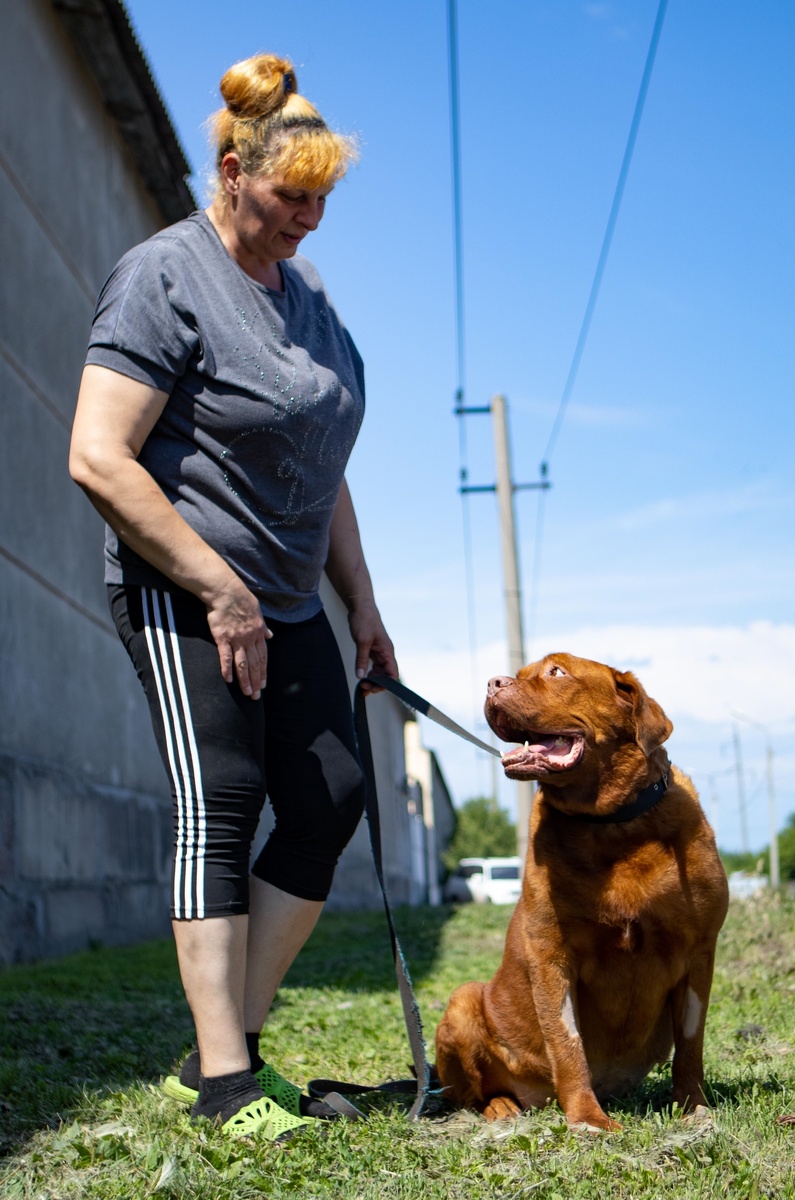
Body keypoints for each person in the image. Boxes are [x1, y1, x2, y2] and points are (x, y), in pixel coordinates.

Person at [69, 53, 398, 1141]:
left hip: (293, 600)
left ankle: (228, 1049)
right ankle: (223, 1085)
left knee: (332, 795)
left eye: (322, 198)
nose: (309, 217)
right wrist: (218, 587)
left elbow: (323, 461)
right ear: (230, 173)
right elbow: (98, 455)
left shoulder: (310, 299)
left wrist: (361, 601)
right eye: (291, 194)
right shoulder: (164, 275)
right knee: (223, 799)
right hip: (183, 583)